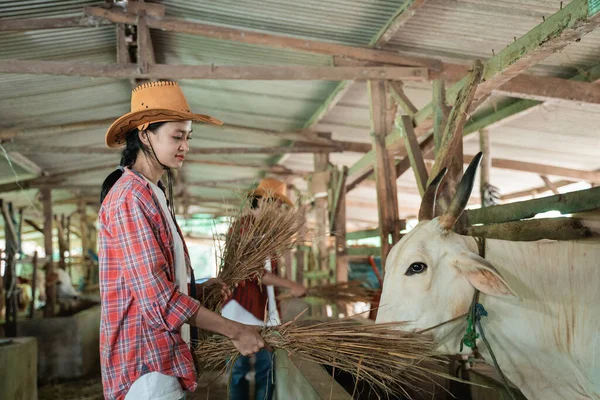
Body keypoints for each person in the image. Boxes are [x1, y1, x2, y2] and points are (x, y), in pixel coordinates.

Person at [98, 81, 265, 400]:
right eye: (177, 136)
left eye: (188, 137)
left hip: (163, 360)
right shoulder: (130, 199)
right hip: (146, 368)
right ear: (145, 133)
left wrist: (199, 289)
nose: (185, 146)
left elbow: (154, 283)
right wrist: (235, 329)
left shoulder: (153, 194)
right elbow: (158, 301)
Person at [221, 178, 308, 400]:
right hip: (240, 310)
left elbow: (267, 276)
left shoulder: (268, 234)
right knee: (238, 370)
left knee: (266, 370)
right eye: (276, 204)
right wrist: (291, 285)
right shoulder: (243, 227)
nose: (279, 210)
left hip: (263, 313)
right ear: (261, 201)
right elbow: (252, 273)